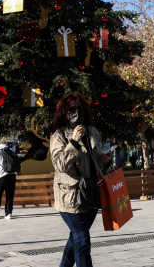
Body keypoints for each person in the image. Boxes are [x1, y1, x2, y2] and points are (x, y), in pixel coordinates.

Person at [50, 93, 112, 267]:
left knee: (76, 238)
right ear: (65, 112)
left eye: (80, 108)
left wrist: (106, 160)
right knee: (83, 240)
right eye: (72, 109)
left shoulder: (92, 131)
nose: (77, 112)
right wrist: (74, 142)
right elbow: (60, 165)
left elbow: (96, 162)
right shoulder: (59, 136)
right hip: (70, 196)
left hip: (91, 193)